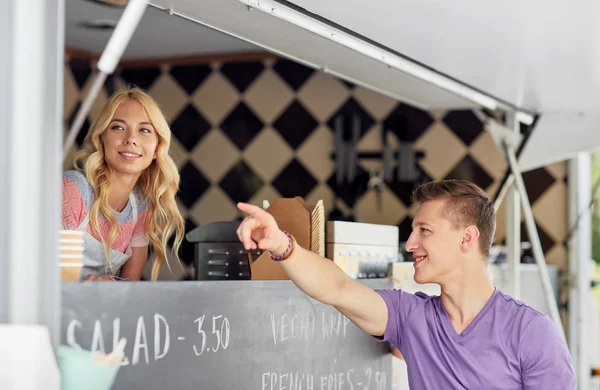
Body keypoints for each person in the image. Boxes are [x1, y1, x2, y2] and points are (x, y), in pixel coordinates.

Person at [236, 180, 575, 389]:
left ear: (467, 239)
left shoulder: (532, 332)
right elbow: (336, 288)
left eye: (424, 231)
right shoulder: (410, 317)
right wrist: (282, 245)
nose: (410, 243)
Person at [62, 87, 185, 282]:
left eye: (144, 130)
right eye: (118, 127)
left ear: (156, 149)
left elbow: (130, 285)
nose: (131, 140)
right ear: (101, 138)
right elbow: (47, 280)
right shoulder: (72, 190)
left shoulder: (139, 208)